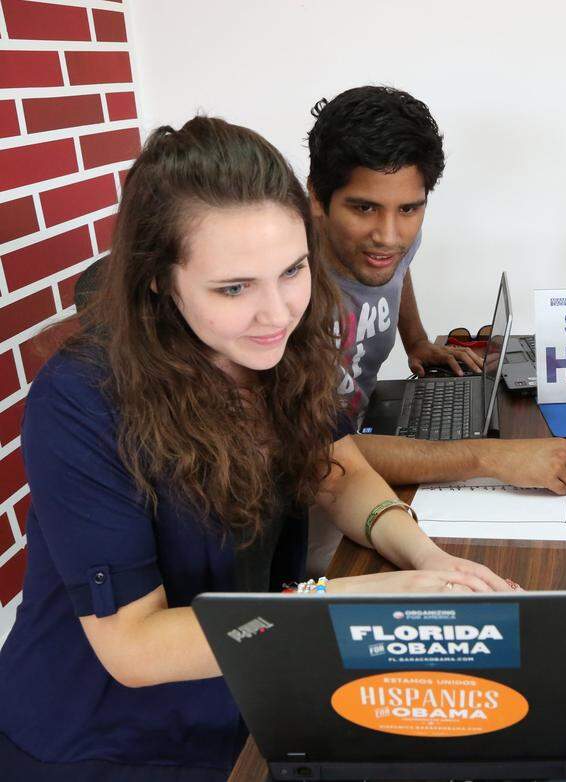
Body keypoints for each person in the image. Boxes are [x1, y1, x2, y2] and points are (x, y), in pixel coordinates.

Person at [0, 117, 515, 780]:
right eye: (234, 288)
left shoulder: (283, 344)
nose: (278, 313)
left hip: (250, 683)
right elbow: (134, 647)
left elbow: (336, 468)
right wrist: (364, 599)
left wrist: (427, 556)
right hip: (105, 737)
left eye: (293, 270)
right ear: (158, 279)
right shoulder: (81, 399)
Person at [304, 85, 566, 571]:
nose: (389, 236)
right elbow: (322, 456)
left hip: (354, 448)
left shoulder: (387, 243)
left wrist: (416, 340)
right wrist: (488, 458)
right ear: (317, 196)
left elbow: (398, 265)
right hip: (308, 498)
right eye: (363, 208)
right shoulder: (285, 286)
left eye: (409, 209)